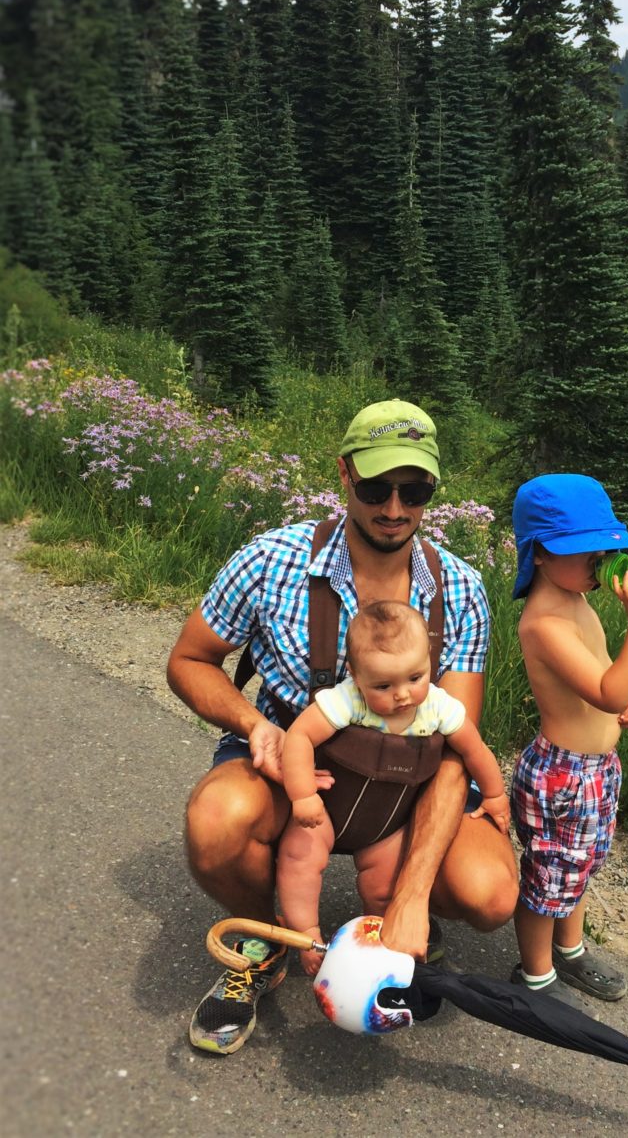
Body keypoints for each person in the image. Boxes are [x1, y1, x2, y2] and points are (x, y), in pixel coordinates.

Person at [167, 399, 518, 1055]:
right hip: (291, 772)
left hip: (405, 788)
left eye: (414, 490)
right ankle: (266, 941)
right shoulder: (271, 560)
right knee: (215, 825)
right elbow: (188, 660)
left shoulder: (462, 590)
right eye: (376, 487)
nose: (394, 507)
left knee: (491, 892)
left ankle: (401, 913)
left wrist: (414, 895)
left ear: (433, 489)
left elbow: (455, 750)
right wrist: (254, 724)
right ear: (344, 474)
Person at [277, 600, 510, 976]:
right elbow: (300, 736)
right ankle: (305, 935)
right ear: (355, 675)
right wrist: (303, 794)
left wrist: (495, 794)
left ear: (429, 660)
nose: (402, 694)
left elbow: (474, 750)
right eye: (383, 685)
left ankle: (379, 947)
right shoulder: (347, 700)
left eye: (415, 678)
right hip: (327, 810)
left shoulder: (437, 707)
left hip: (386, 823)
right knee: (299, 859)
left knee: (385, 886)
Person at [509, 473, 628, 1006]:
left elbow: (608, 672)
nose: (601, 564)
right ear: (541, 554)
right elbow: (607, 692)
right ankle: (535, 977)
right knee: (550, 876)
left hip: (597, 770)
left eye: (605, 551)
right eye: (587, 553)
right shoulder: (543, 623)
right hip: (563, 776)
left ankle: (569, 950)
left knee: (580, 866)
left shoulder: (576, 600)